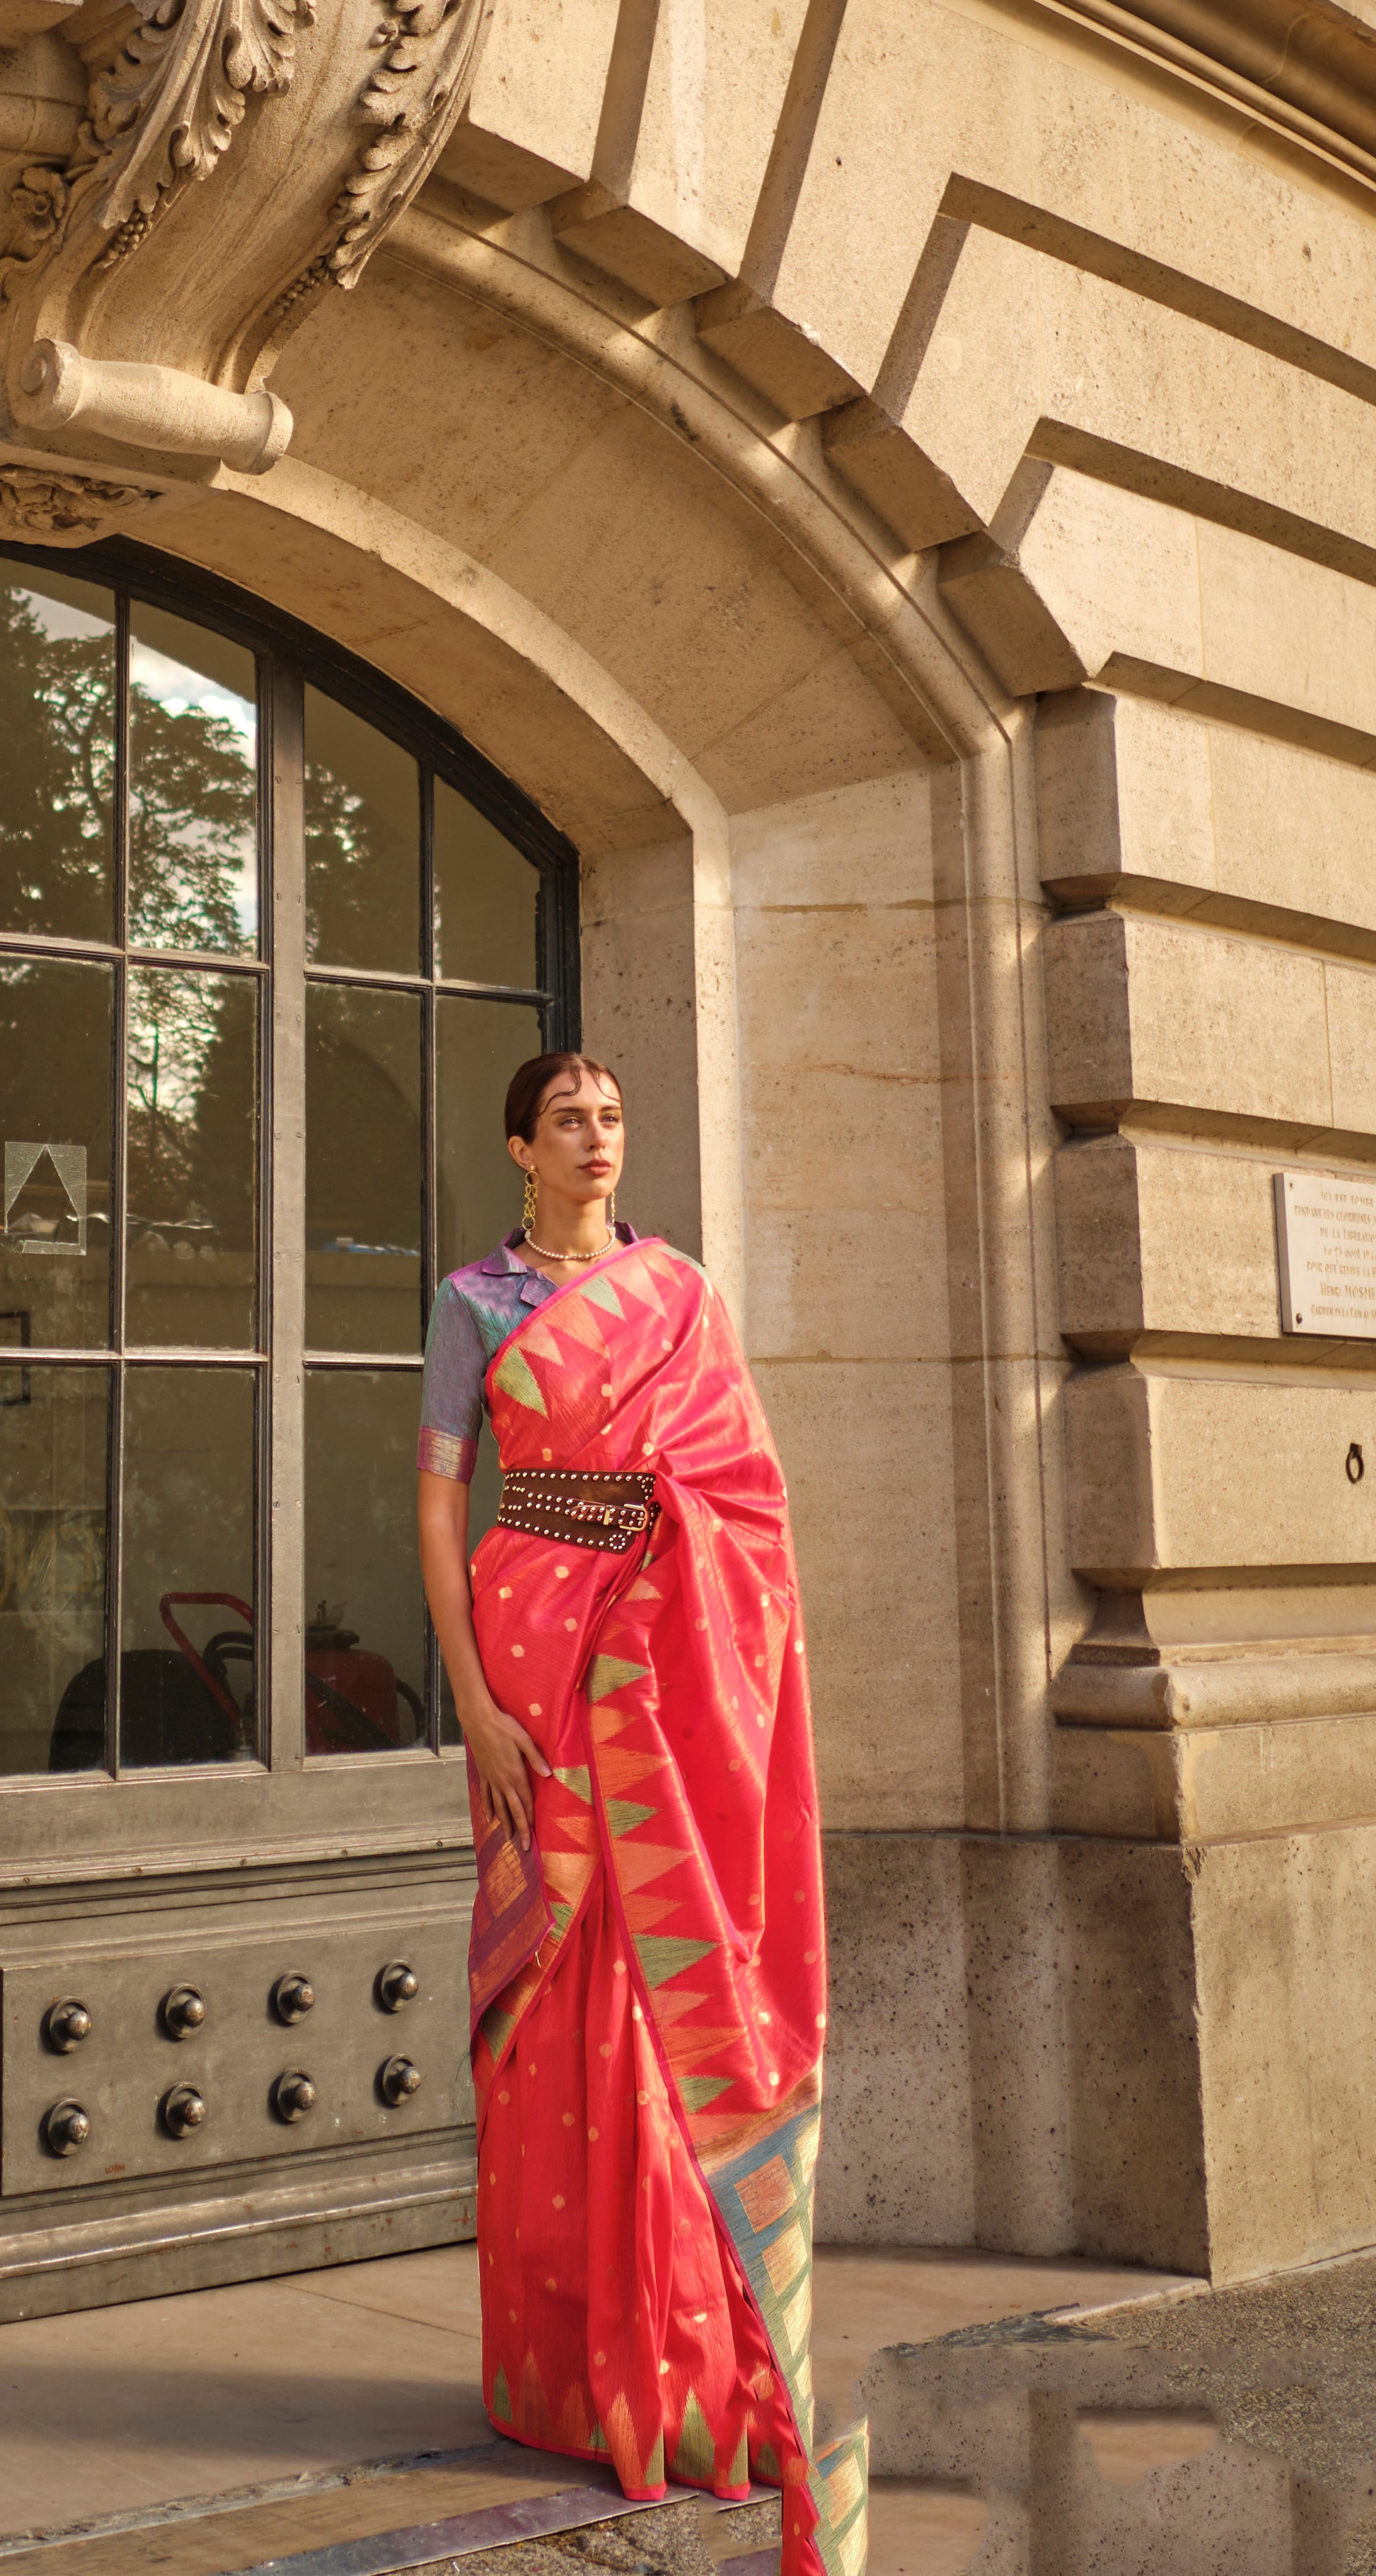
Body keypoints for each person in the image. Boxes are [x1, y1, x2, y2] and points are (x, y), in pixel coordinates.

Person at [417, 1054, 867, 2576]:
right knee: (558, 1998)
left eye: (609, 1120)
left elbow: (746, 1488)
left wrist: (690, 1579)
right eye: (566, 1121)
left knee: (658, 2003)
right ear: (518, 1146)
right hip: (535, 1652)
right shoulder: (474, 1300)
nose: (594, 1140)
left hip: (661, 1661)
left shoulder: (677, 1292)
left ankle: (681, 2357)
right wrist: (472, 1701)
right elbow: (436, 1499)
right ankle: (560, 2358)